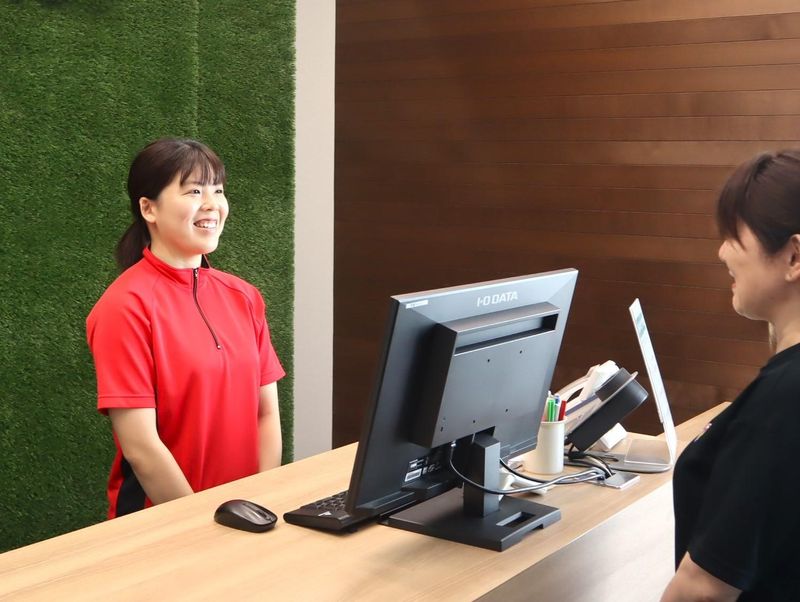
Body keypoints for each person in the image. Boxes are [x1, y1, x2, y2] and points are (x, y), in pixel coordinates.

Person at [86, 138, 285, 518]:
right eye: (194, 191)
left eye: (218, 190)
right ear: (149, 208)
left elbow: (266, 414)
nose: (211, 204)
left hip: (247, 518)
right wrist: (202, 525)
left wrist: (260, 502)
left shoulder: (244, 297)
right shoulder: (125, 307)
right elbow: (142, 448)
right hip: (162, 523)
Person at [661, 151, 800, 601]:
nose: (721, 252)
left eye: (733, 235)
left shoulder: (784, 398)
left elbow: (703, 589)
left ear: (794, 256)